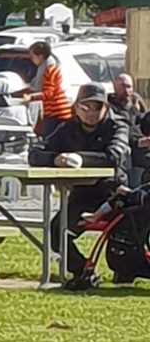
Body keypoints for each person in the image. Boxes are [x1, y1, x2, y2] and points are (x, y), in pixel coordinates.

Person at [29, 82, 130, 290]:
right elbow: (35, 153)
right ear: (75, 107)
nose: (91, 113)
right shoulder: (67, 128)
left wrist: (79, 159)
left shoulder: (118, 126)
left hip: (111, 195)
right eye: (86, 107)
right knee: (57, 231)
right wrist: (55, 159)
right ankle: (84, 270)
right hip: (81, 196)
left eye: (98, 107)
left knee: (126, 241)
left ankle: (122, 272)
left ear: (106, 109)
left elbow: (113, 156)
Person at [17, 41, 72, 137]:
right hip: (53, 113)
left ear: (40, 56)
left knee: (51, 142)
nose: (31, 59)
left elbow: (49, 93)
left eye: (32, 56)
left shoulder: (50, 70)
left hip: (57, 113)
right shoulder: (48, 68)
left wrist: (31, 98)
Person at [108, 73, 149, 185]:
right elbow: (116, 129)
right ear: (114, 86)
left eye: (129, 86)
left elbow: (145, 121)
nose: (126, 90)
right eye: (123, 86)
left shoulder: (136, 101)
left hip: (143, 142)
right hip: (125, 144)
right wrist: (137, 142)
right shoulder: (109, 106)